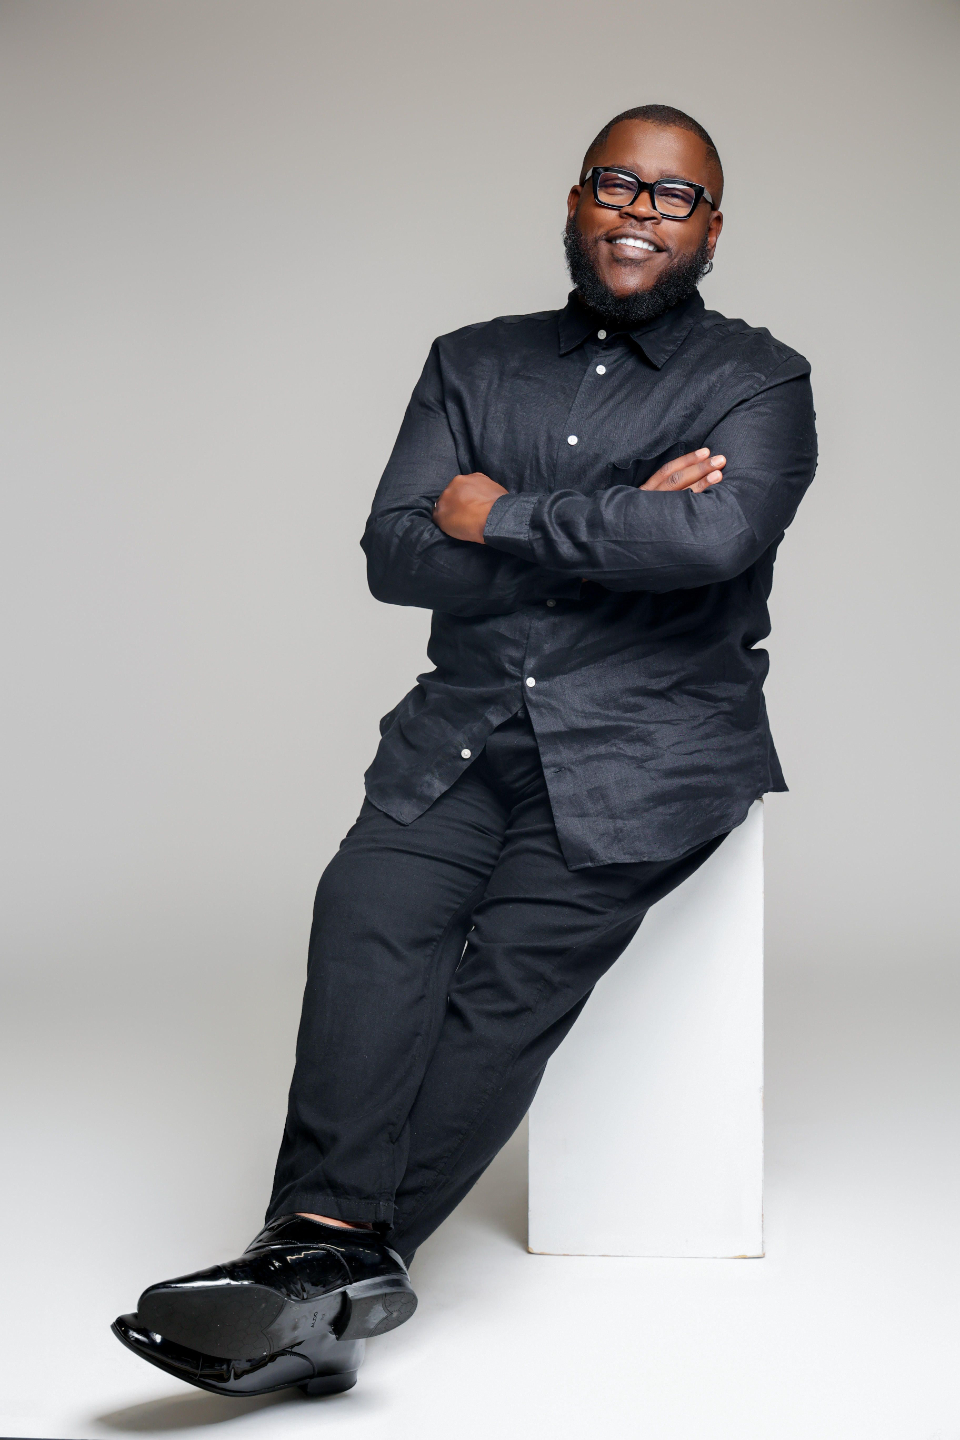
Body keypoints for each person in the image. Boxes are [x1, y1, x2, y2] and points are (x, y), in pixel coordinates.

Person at [112, 103, 817, 1399]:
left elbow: (711, 545)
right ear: (577, 200)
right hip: (467, 729)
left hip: (649, 751)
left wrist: (499, 516)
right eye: (618, 184)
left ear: (711, 228)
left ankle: (307, 1269)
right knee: (366, 914)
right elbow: (395, 553)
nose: (641, 212)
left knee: (503, 990)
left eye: (673, 196)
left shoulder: (758, 382)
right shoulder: (470, 362)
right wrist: (615, 523)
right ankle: (328, 1275)